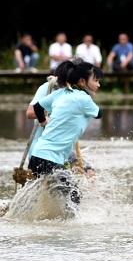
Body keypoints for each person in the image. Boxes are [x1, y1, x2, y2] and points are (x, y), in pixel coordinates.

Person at [29, 61, 103, 202]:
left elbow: (37, 108)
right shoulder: (84, 99)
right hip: (50, 159)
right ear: (82, 81)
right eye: (96, 81)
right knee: (75, 197)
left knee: (46, 197)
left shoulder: (60, 93)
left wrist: (43, 122)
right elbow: (99, 114)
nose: (98, 85)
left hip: (37, 156)